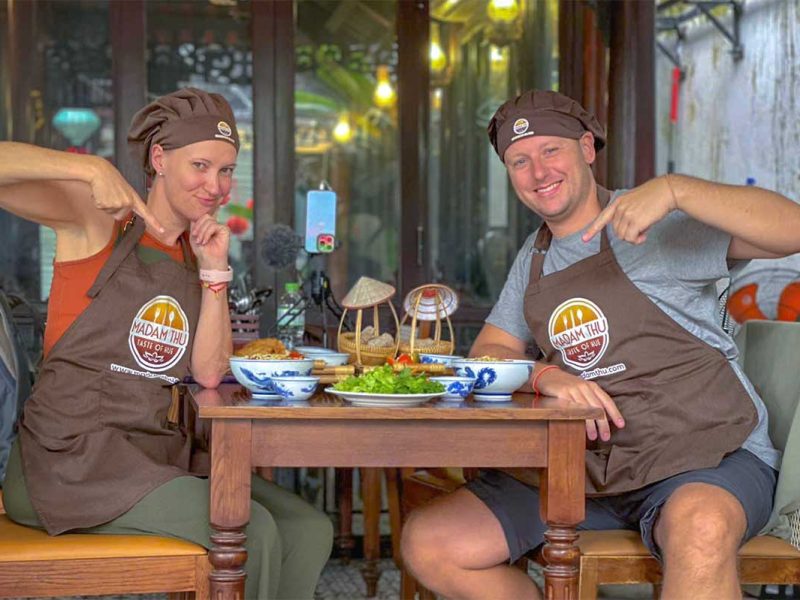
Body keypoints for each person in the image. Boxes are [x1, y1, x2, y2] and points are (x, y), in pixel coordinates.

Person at [401, 89, 800, 600]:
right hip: (586, 470)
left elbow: (791, 230)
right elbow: (490, 354)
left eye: (552, 151)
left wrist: (676, 189)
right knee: (432, 542)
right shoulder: (535, 257)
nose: (538, 171)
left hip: (704, 455)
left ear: (587, 149)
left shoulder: (657, 226)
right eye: (519, 161)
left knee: (700, 528)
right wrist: (546, 376)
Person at [0, 88, 333, 599]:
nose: (216, 186)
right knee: (252, 531)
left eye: (226, 171)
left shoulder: (192, 256)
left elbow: (206, 373)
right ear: (158, 158)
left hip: (155, 456)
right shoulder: (98, 223)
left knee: (311, 528)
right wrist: (88, 170)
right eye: (201, 165)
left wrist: (216, 273)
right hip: (69, 463)